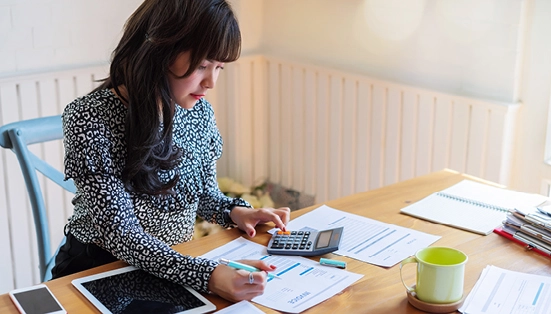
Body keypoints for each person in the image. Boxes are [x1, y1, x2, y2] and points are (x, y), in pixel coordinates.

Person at [51, 0, 290, 302]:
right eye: (202, 65)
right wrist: (208, 275)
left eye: (219, 67)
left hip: (171, 269)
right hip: (98, 272)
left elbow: (201, 193)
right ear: (159, 51)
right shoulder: (89, 118)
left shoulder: (197, 110)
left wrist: (236, 211)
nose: (211, 82)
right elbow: (121, 234)